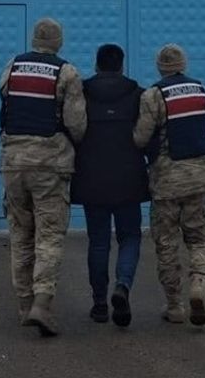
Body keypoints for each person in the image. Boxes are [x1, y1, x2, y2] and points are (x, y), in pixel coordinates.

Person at [0, 17, 86, 337]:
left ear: (34, 39)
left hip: (13, 163)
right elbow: (77, 123)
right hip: (50, 164)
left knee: (20, 233)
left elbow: (4, 102)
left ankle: (24, 305)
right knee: (48, 235)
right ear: (59, 42)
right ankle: (42, 304)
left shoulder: (13, 66)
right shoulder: (67, 72)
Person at [133, 43, 205, 326]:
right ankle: (198, 283)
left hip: (167, 181)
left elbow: (142, 137)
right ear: (184, 63)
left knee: (167, 244)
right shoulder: (201, 89)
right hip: (200, 178)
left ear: (160, 66)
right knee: (199, 238)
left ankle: (174, 305)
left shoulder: (153, 95)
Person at [71, 44, 148, 327]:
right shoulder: (138, 95)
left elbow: (73, 129)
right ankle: (123, 285)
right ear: (121, 65)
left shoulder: (82, 92)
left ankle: (100, 304)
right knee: (130, 237)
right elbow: (147, 135)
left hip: (92, 180)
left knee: (99, 241)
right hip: (129, 180)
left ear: (97, 64)